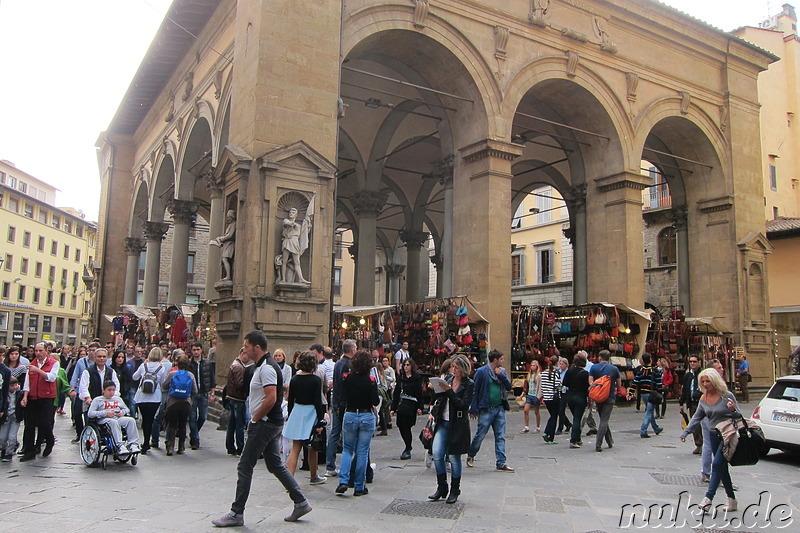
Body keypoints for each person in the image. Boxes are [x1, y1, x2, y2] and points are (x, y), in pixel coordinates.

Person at [212, 330, 312, 527]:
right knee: (274, 464)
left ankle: (236, 512)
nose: (245, 349)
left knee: (244, 465)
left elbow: (272, 397)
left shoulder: (266, 368)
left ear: (256, 347)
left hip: (265, 423)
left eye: (247, 345)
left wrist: (256, 418)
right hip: (271, 422)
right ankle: (301, 502)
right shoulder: (261, 366)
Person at [679, 368, 741, 512]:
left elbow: (739, 416)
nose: (706, 384)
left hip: (727, 435)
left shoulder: (727, 395)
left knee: (717, 463)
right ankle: (732, 500)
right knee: (722, 468)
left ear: (715, 381)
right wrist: (686, 432)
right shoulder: (703, 398)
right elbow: (697, 416)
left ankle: (708, 499)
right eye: (703, 382)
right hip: (713, 436)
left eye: (708, 381)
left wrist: (732, 410)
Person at [428, 353, 474, 504]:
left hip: (457, 424)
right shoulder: (448, 379)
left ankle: (455, 489)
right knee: (437, 452)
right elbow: (441, 398)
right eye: (452, 366)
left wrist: (448, 391)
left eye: (456, 367)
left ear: (463, 368)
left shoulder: (468, 384)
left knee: (454, 457)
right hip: (443, 421)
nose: (453, 370)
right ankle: (442, 486)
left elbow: (463, 405)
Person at [335, 350, 380, 496]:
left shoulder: (347, 378)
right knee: (362, 452)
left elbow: (342, 396)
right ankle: (359, 486)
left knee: (347, 450)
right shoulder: (371, 380)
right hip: (366, 415)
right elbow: (375, 401)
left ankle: (343, 480)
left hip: (350, 413)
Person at [467, 349, 514, 472]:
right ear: (495, 360)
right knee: (480, 435)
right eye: (501, 359)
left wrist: (502, 376)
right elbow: (475, 390)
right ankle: (471, 454)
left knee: (500, 436)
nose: (503, 361)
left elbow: (509, 387)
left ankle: (501, 462)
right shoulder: (482, 372)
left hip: (499, 408)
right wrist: (474, 408)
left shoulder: (502, 372)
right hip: (486, 408)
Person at [284, 351, 326, 484]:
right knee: (312, 447)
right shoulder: (316, 380)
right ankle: (314, 476)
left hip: (297, 411)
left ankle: (290, 480)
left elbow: (291, 400)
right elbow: (317, 401)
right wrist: (320, 421)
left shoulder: (295, 379)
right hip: (311, 413)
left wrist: (291, 415)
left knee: (295, 448)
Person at [19, 344, 60, 461]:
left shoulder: (53, 363)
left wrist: (38, 370)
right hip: (33, 397)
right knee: (30, 424)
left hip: (46, 397)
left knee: (44, 423)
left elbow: (51, 378)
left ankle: (49, 440)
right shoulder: (31, 364)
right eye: (36, 351)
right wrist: (25, 397)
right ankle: (29, 450)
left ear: (46, 351)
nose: (37, 353)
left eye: (40, 350)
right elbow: (27, 383)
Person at [326, 339, 356, 477]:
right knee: (346, 435)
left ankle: (330, 465)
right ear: (352, 350)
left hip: (336, 400)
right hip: (344, 403)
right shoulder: (348, 365)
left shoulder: (338, 363)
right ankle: (347, 465)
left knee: (334, 433)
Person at [87, 381, 141, 454]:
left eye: (113, 390)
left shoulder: (118, 399)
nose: (111, 392)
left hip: (117, 418)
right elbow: (90, 413)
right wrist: (105, 413)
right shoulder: (97, 400)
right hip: (104, 420)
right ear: (103, 390)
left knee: (130, 420)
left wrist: (122, 412)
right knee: (113, 422)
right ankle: (119, 445)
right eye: (109, 390)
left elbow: (126, 409)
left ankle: (133, 444)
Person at [132, 348, 167, 454]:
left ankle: (145, 442)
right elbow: (163, 383)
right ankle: (147, 442)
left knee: (145, 419)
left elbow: (134, 377)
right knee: (150, 419)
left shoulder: (143, 366)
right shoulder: (161, 368)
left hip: (141, 396)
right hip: (154, 397)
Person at [161, 353, 198, 456]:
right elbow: (195, 390)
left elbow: (164, 386)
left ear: (177, 363)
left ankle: (170, 447)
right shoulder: (191, 375)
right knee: (182, 425)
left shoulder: (172, 374)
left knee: (172, 425)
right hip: (186, 403)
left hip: (172, 402)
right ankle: (181, 447)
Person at [390, 357, 424, 460]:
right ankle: (407, 445)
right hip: (401, 404)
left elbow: (419, 393)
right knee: (401, 425)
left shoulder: (416, 378)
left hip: (411, 405)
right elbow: (396, 394)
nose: (405, 367)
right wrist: (393, 408)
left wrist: (420, 407)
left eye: (408, 365)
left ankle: (408, 447)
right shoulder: (401, 379)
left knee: (407, 426)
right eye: (404, 365)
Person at [588, 350, 621, 452]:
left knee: (603, 418)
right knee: (604, 420)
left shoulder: (594, 367)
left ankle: (609, 441)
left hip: (598, 396)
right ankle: (599, 443)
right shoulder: (614, 369)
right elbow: (619, 385)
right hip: (609, 396)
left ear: (599, 357)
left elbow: (590, 382)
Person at [188, 341, 216, 450]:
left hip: (204, 393)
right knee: (192, 417)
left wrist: (212, 393)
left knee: (203, 417)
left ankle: (194, 433)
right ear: (191, 351)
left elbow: (212, 379)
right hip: (192, 394)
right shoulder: (189, 364)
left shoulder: (207, 363)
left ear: (201, 350)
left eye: (197, 350)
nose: (196, 352)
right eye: (194, 350)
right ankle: (195, 440)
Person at [225, 347, 250, 456]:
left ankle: (230, 446)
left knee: (232, 424)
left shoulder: (235, 365)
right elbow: (240, 384)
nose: (249, 358)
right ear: (243, 353)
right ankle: (240, 447)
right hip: (238, 398)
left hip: (232, 397)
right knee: (239, 424)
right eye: (248, 355)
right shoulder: (239, 367)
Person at [632, 353, 663, 438]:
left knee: (650, 410)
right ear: (650, 359)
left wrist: (630, 392)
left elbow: (635, 382)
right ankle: (643, 430)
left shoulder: (640, 370)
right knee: (649, 412)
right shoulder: (654, 371)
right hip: (651, 394)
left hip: (643, 393)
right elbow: (659, 383)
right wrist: (661, 394)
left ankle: (656, 428)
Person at [563, 353, 590, 448]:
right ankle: (573, 440)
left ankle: (578, 438)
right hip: (580, 397)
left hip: (570, 397)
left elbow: (565, 383)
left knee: (575, 417)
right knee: (577, 418)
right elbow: (587, 387)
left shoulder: (569, 371)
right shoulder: (585, 373)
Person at [679, 355, 704, 454]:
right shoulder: (688, 376)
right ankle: (699, 444)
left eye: (694, 361)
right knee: (695, 424)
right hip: (692, 403)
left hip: (703, 402)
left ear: (699, 362)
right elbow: (684, 390)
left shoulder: (703, 374)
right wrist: (681, 403)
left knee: (706, 424)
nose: (692, 363)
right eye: (691, 362)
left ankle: (707, 443)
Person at [281, 206, 312, 284]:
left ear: (296, 215)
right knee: (284, 261)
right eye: (290, 212)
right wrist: (292, 224)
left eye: (293, 212)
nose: (291, 213)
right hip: (287, 241)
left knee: (297, 262)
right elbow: (286, 223)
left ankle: (301, 278)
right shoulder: (286, 220)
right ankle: (283, 279)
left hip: (295, 242)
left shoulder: (298, 225)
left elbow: (303, 234)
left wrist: (307, 223)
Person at [1, 376, 23, 462]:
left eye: (15, 384)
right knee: (2, 437)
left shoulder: (20, 393)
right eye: (12, 385)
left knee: (12, 437)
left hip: (15, 417)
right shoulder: (4, 393)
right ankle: (4, 448)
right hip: (6, 417)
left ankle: (9, 453)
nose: (14, 387)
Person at [540, 355, 562, 444]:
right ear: (556, 363)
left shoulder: (543, 373)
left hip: (546, 397)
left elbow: (543, 385)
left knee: (552, 415)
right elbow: (557, 385)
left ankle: (546, 432)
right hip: (554, 397)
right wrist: (561, 383)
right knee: (554, 417)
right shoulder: (556, 373)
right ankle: (550, 436)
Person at [210, 209, 236, 281]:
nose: (227, 219)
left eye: (228, 217)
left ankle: (228, 276)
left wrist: (221, 238)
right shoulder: (230, 225)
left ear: (232, 217)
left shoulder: (234, 224)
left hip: (230, 244)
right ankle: (227, 275)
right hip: (226, 244)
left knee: (225, 259)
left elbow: (230, 235)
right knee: (223, 259)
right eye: (227, 217)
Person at [519, 359, 542, 433]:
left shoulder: (538, 376)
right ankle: (526, 426)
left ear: (537, 366)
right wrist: (522, 394)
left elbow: (540, 387)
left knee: (536, 411)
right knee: (526, 410)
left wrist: (539, 396)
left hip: (535, 395)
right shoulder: (529, 376)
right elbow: (526, 386)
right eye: (531, 365)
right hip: (529, 395)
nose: (532, 367)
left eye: (534, 365)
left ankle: (538, 427)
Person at [111, 350, 134, 418]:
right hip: (114, 393)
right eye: (118, 357)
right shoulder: (110, 368)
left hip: (125, 393)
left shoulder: (127, 367)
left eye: (122, 357)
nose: (120, 359)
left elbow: (130, 380)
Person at [555, 357, 572, 435]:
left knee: (561, 410)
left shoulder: (568, 372)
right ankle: (568, 424)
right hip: (559, 391)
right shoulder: (558, 372)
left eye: (562, 364)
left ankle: (560, 428)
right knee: (559, 410)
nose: (560, 366)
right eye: (560, 364)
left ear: (566, 365)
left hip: (566, 391)